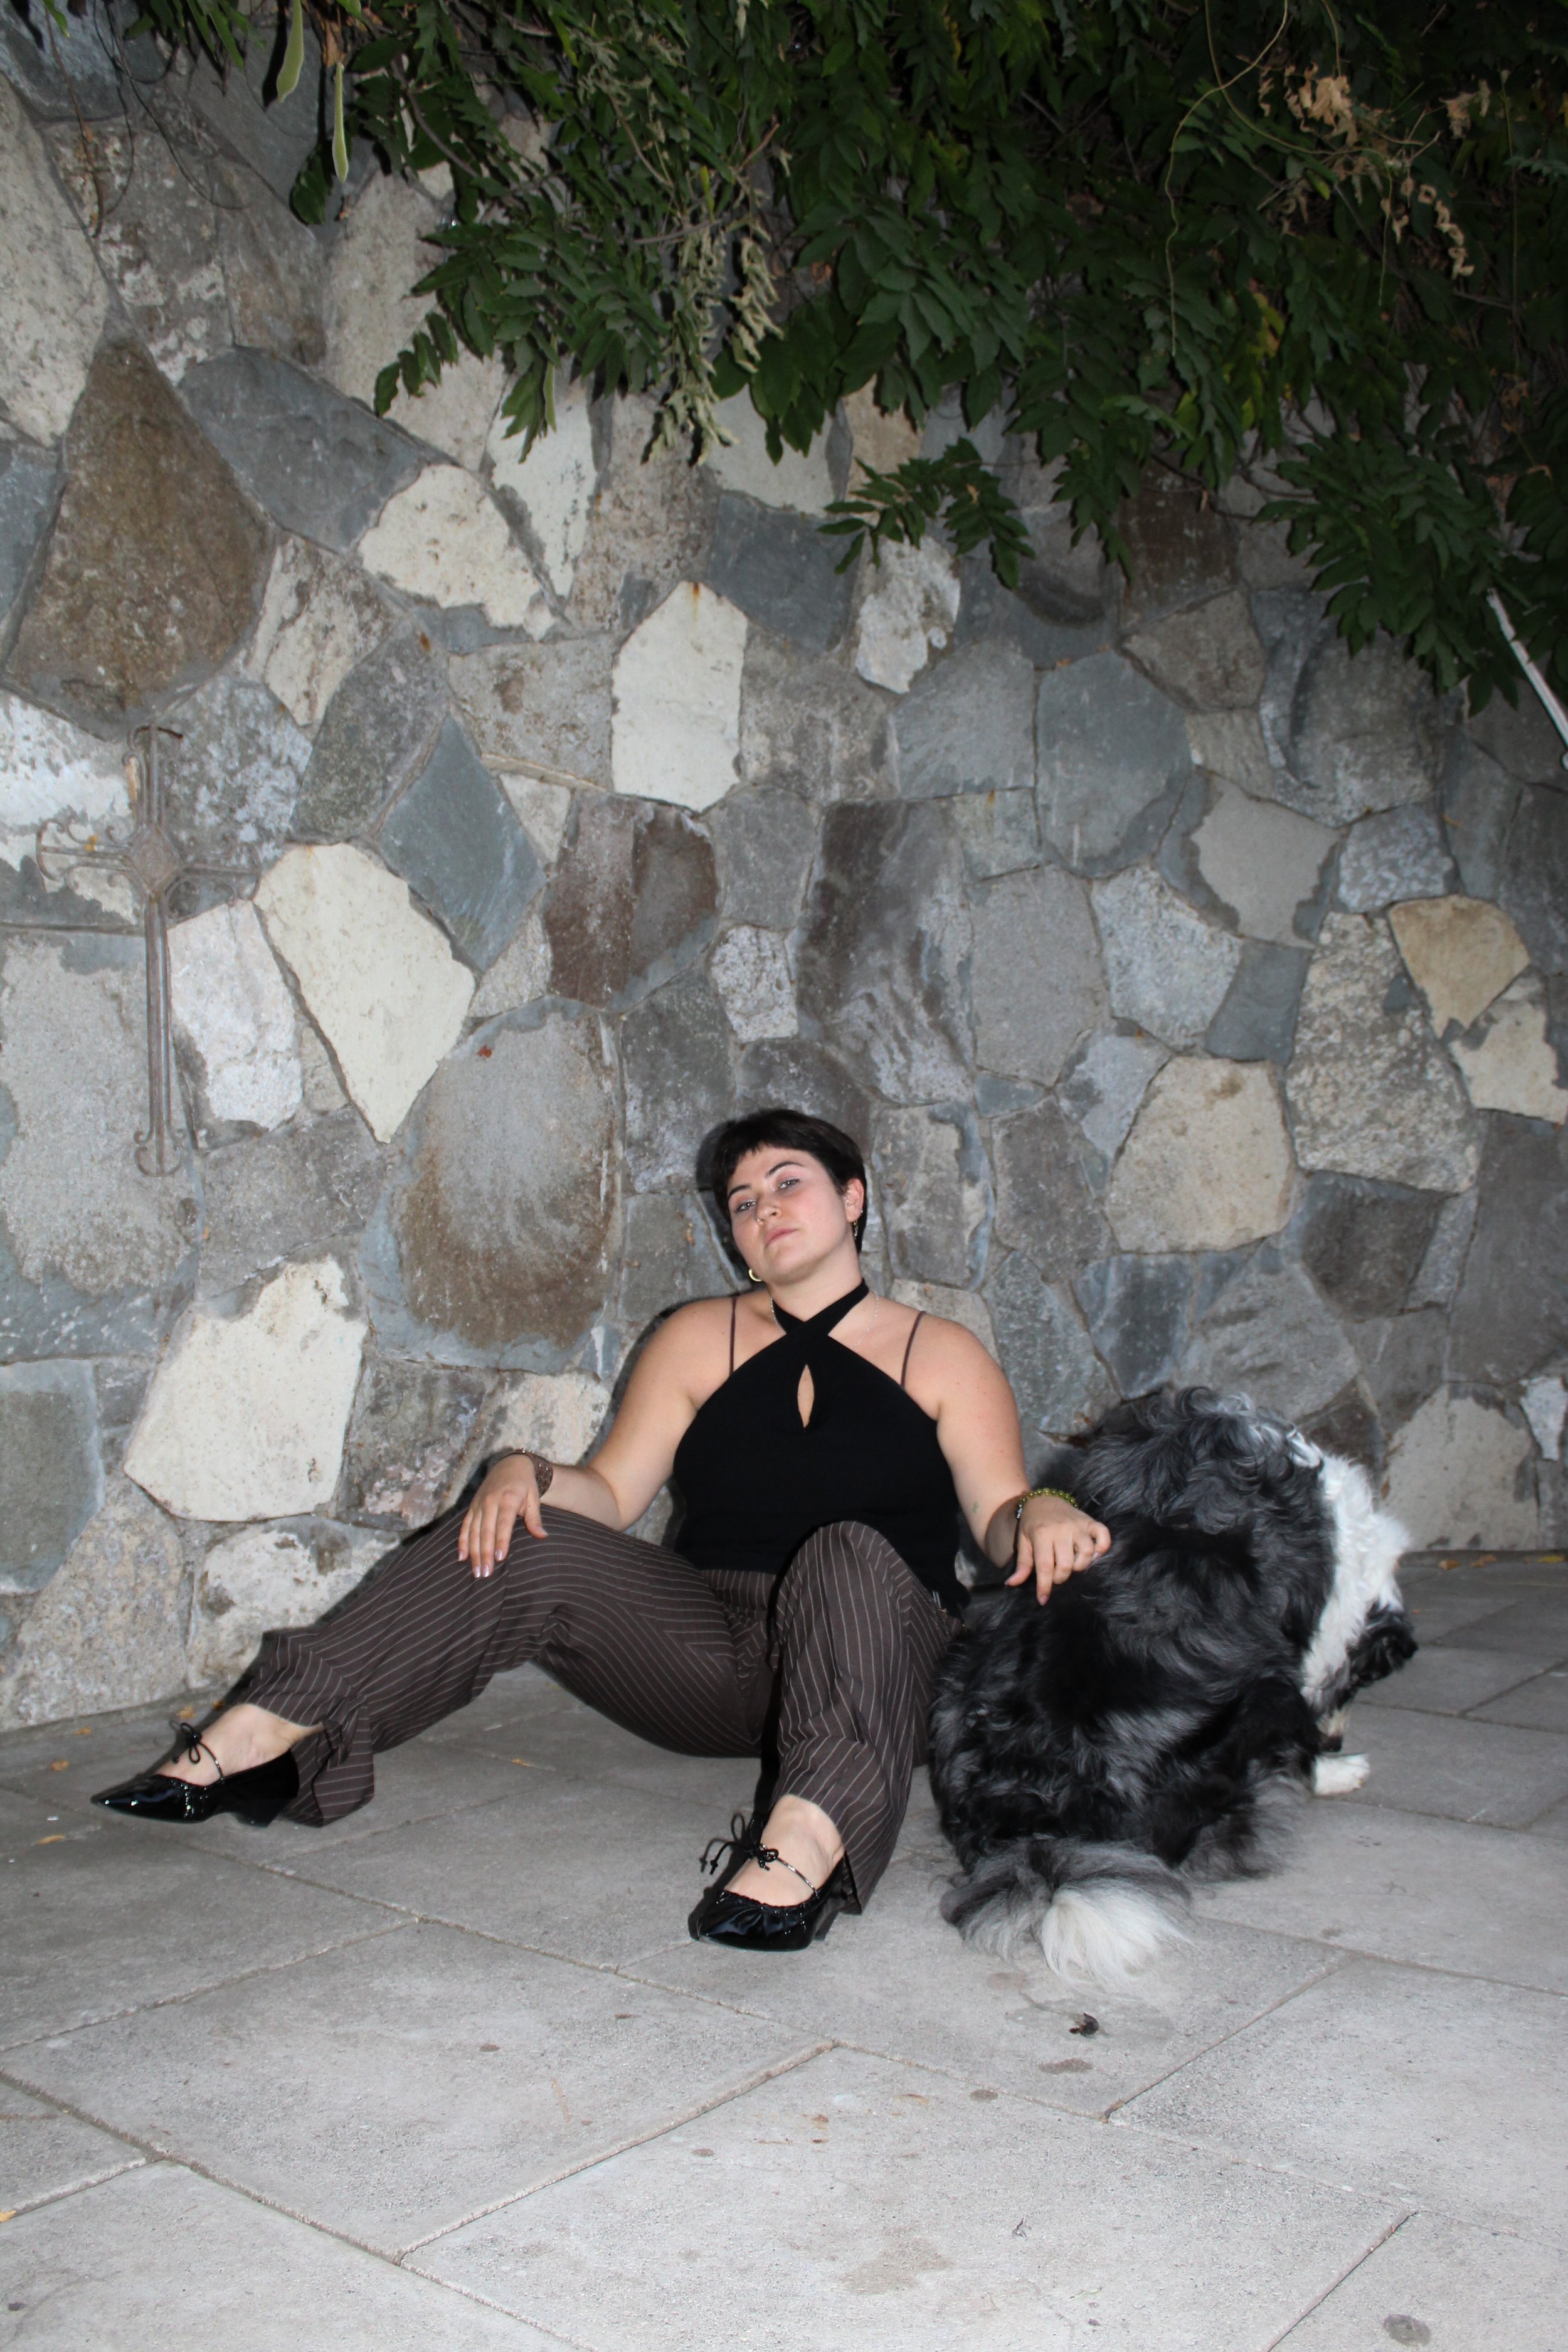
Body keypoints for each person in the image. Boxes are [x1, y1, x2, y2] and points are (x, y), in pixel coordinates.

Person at [95, 1107, 1110, 1951]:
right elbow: (615, 1492)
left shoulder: (941, 1351)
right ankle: (274, 1729)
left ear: (853, 1200)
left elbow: (1000, 1515)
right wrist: (524, 1473)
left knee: (846, 1547)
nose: (763, 1210)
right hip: (710, 1645)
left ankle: (806, 1837)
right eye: (742, 1202)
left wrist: (1045, 1509)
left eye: (787, 1183)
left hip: (880, 1645)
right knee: (520, 1529)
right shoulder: (694, 1338)